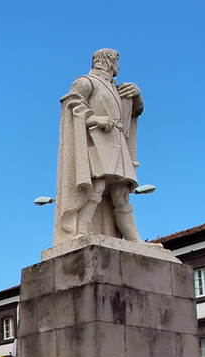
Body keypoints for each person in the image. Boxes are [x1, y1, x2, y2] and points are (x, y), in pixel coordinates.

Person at [54, 49, 145, 246]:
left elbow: (135, 111)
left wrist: (137, 95)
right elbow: (72, 107)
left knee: (121, 192)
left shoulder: (115, 87)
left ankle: (135, 239)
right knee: (98, 185)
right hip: (97, 140)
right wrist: (94, 118)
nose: (118, 68)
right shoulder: (86, 82)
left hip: (117, 142)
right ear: (109, 62)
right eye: (117, 63)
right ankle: (81, 231)